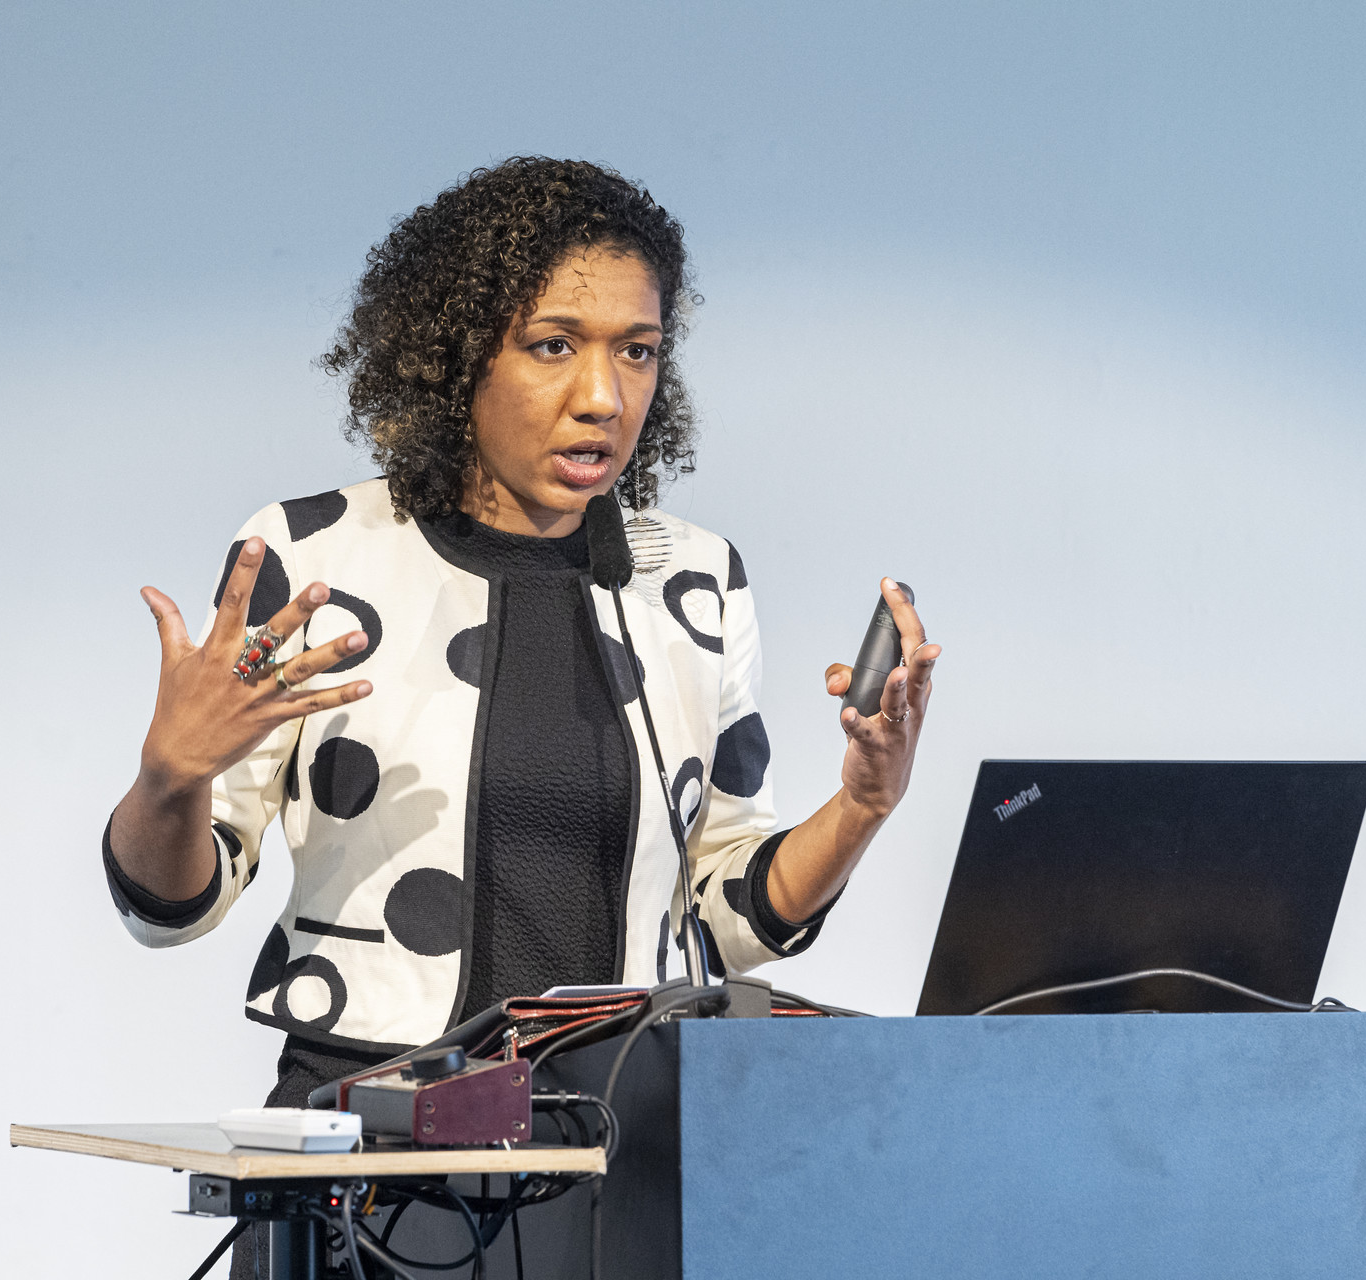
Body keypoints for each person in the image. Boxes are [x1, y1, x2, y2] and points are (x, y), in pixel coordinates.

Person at [105, 155, 939, 1134]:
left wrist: (864, 804)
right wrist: (169, 777)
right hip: (378, 1129)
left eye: (638, 351)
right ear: (457, 357)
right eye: (553, 345)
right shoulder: (314, 554)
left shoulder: (693, 579)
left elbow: (728, 914)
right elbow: (170, 908)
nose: (604, 396)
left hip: (620, 1131)